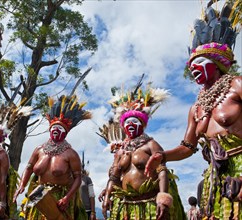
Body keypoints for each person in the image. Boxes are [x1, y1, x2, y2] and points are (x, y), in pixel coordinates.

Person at [145, 2, 242, 219]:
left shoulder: (237, 85)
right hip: (216, 180)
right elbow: (187, 146)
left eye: (199, 62)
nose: (193, 68)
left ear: (216, 62)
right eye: (191, 65)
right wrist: (163, 156)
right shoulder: (196, 108)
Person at [101, 82, 185, 220]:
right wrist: (107, 196)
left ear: (143, 124)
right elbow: (114, 177)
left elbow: (162, 171)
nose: (130, 124)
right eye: (127, 122)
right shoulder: (120, 151)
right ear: (123, 127)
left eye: (134, 121)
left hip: (149, 204)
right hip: (126, 206)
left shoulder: (151, 144)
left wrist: (162, 198)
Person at [14, 95, 91, 220]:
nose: (56, 129)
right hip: (38, 195)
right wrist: (22, 184)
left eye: (59, 128)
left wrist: (67, 198)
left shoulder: (71, 154)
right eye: (54, 127)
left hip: (59, 198)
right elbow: (28, 168)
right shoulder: (39, 150)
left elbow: (78, 178)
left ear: (65, 132)